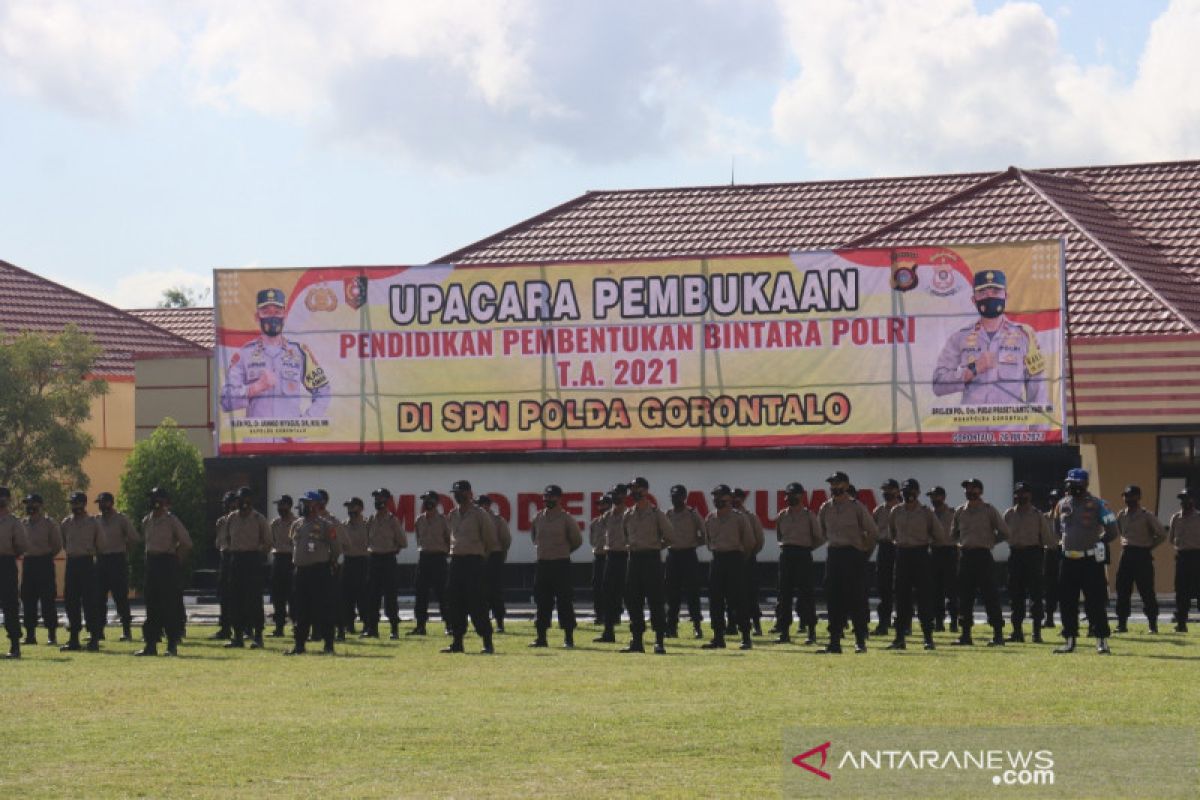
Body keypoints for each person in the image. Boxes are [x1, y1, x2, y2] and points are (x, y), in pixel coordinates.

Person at [932, 269, 1048, 406]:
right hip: (973, 425)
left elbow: (1038, 390)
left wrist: (1040, 427)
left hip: (1011, 426)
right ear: (973, 300)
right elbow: (938, 385)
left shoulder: (1025, 336)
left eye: (995, 292)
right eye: (982, 293)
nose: (989, 297)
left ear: (1006, 296)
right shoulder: (959, 337)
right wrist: (972, 369)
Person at [220, 288, 331, 421]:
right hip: (256, 440)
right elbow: (226, 401)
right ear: (257, 316)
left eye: (277, 312)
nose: (272, 317)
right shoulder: (244, 354)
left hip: (290, 440)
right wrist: (255, 388)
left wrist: (305, 423)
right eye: (266, 312)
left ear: (284, 315)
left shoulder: (300, 353)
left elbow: (323, 391)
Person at [1051, 468, 1118, 654]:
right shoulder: (1061, 504)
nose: (1072, 487)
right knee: (1067, 602)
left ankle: (1101, 640)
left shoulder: (1098, 504)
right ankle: (1069, 640)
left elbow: (1113, 530)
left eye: (1076, 483)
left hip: (1090, 561)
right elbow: (1056, 529)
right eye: (1070, 483)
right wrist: (1064, 543)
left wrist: (1099, 541)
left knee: (1095, 602)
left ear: (1085, 484)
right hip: (1068, 560)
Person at [818, 471, 877, 654]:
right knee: (833, 599)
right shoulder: (825, 508)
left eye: (837, 484)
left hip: (853, 555)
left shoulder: (857, 507)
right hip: (834, 555)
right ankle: (834, 641)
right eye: (832, 485)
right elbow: (821, 532)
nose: (834, 488)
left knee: (856, 599)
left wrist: (862, 551)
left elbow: (872, 532)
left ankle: (860, 640)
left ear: (846, 485)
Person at [951, 478, 1009, 647]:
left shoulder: (989, 510)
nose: (969, 492)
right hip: (966, 557)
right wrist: (962, 543)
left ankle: (998, 635)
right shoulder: (960, 511)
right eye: (967, 489)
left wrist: (990, 541)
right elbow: (953, 534)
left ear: (980, 491)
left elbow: (1005, 532)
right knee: (965, 597)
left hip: (983, 556)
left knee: (990, 596)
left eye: (972, 489)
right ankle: (965, 635)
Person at [443, 479, 498, 654]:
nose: (458, 496)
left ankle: (487, 642)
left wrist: (480, 556)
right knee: (455, 603)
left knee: (477, 603)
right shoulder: (452, 514)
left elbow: (490, 540)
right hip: (457, 562)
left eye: (461, 492)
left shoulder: (480, 514)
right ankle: (457, 642)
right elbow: (449, 538)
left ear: (470, 493)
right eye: (456, 493)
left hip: (474, 562)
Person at [136, 487, 192, 657]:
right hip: (152, 564)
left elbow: (186, 543)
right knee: (151, 606)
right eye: (151, 498)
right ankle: (150, 645)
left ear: (164, 501)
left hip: (167, 563)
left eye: (156, 498)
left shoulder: (171, 520)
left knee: (169, 606)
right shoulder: (147, 520)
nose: (153, 502)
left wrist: (176, 561)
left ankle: (172, 645)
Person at [621, 477, 672, 654]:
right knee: (633, 601)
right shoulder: (628, 514)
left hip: (651, 559)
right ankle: (637, 641)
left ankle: (659, 641)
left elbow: (670, 536)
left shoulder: (657, 514)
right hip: (634, 559)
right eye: (632, 489)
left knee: (656, 600)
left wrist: (656, 547)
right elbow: (625, 536)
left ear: (645, 490)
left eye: (637, 488)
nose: (633, 492)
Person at [886, 479, 938, 651]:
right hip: (902, 555)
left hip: (921, 555)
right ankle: (899, 638)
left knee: (924, 599)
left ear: (918, 492)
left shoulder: (926, 512)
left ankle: (928, 638)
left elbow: (937, 533)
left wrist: (925, 545)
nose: (909, 494)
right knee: (901, 600)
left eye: (912, 491)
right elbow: (892, 533)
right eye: (906, 491)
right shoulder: (896, 511)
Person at [285, 491, 340, 655]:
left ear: (315, 505)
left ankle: (328, 645)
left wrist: (330, 561)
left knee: (323, 608)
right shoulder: (297, 524)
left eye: (306, 503)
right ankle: (299, 645)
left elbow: (336, 547)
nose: (302, 506)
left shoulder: (326, 525)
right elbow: (293, 543)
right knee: (300, 609)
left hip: (319, 571)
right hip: (301, 572)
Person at [529, 485, 583, 649]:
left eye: (551, 497)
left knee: (564, 602)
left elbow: (576, 541)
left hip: (561, 564)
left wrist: (563, 551)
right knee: (542, 602)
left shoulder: (566, 518)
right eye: (545, 497)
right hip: (543, 564)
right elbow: (534, 538)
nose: (547, 500)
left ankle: (568, 638)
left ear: (559, 498)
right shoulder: (538, 517)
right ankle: (541, 638)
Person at [701, 484, 754, 650]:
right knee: (716, 601)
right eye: (715, 497)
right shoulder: (710, 518)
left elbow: (749, 542)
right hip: (717, 560)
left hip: (734, 559)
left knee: (738, 600)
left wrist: (739, 559)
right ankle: (718, 637)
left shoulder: (739, 518)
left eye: (721, 497)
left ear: (729, 498)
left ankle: (745, 636)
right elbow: (708, 541)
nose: (717, 500)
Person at [1003, 482, 1053, 643]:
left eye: (1024, 493)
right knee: (1015, 595)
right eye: (1017, 493)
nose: (1020, 496)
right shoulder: (1009, 514)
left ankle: (1036, 632)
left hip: (1033, 556)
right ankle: (1017, 632)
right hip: (1016, 556)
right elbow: (1002, 534)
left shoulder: (1038, 515)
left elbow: (1047, 538)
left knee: (1036, 596)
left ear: (1030, 495)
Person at [774, 481, 823, 645]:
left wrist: (806, 548)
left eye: (794, 494)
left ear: (801, 496)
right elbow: (779, 536)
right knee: (784, 595)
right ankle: (784, 632)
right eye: (788, 494)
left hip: (803, 555)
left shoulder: (809, 515)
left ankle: (811, 631)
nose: (790, 497)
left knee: (806, 595)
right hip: (786, 555)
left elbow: (819, 537)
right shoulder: (782, 515)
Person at [222, 486, 271, 648]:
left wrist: (258, 553)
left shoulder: (259, 518)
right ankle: (237, 637)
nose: (243, 503)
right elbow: (226, 538)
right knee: (235, 599)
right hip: (236, 559)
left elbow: (268, 541)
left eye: (246, 500)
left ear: (251, 501)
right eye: (240, 500)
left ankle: (258, 635)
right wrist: (233, 550)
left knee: (254, 599)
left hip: (252, 560)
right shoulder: (231, 518)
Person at [1114, 485, 1166, 634]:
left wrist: (1148, 546)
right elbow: (1120, 531)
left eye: (1131, 496)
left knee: (1146, 591)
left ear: (1138, 497)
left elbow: (1162, 534)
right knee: (1122, 590)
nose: (1127, 499)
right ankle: (1122, 624)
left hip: (1142, 555)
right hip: (1126, 555)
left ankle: (1152, 625)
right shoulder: (1121, 515)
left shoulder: (1146, 515)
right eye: (1125, 496)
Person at [59, 492, 103, 652]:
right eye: (72, 503)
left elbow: (100, 543)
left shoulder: (93, 522)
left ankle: (94, 639)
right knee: (71, 602)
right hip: (72, 563)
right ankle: (73, 639)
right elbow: (64, 543)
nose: (74, 507)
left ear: (84, 504)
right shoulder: (66, 523)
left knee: (90, 602)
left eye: (77, 503)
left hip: (87, 562)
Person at [95, 491, 138, 642]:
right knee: (99, 598)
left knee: (120, 597)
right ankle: (98, 631)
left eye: (104, 502)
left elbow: (133, 538)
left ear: (111, 503)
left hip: (117, 560)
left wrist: (124, 552)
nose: (101, 505)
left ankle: (126, 630)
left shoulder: (121, 519)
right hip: (101, 561)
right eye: (99, 503)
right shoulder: (96, 520)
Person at [663, 484, 705, 640]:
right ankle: (671, 627)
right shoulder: (667, 514)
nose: (675, 499)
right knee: (672, 593)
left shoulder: (692, 514)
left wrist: (693, 543)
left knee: (693, 592)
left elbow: (704, 534)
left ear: (684, 497)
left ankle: (697, 626)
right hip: (673, 555)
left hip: (688, 555)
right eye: (673, 496)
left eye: (678, 497)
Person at [364, 488, 406, 640]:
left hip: (388, 560)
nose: (378, 501)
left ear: (387, 501)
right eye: (376, 498)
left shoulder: (392, 520)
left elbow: (403, 542)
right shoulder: (370, 520)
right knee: (372, 596)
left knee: (390, 597)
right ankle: (372, 629)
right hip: (374, 560)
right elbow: (365, 539)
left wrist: (393, 550)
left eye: (381, 498)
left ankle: (394, 629)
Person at [21, 493, 62, 646]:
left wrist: (45, 555)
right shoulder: (23, 523)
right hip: (29, 563)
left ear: (40, 505)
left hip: (44, 562)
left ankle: (52, 635)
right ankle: (30, 636)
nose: (29, 507)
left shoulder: (49, 523)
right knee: (28, 599)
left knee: (48, 600)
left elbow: (57, 545)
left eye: (32, 504)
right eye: (27, 504)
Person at [408, 490, 450, 636]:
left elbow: (449, 539)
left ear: (436, 502)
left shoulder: (443, 520)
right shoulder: (419, 520)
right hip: (424, 559)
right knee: (421, 595)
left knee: (443, 594)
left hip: (439, 559)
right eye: (425, 499)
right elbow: (418, 539)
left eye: (429, 499)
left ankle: (449, 626)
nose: (427, 502)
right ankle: (420, 626)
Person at [595, 483, 630, 644]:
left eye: (618, 495)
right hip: (611, 557)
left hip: (627, 557)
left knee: (630, 595)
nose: (615, 498)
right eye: (613, 495)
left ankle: (635, 634)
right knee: (608, 594)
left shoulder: (630, 514)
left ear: (625, 496)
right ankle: (608, 632)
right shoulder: (607, 516)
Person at [731, 488, 765, 637]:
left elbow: (759, 540)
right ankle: (731, 625)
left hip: (747, 560)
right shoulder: (726, 516)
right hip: (731, 560)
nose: (734, 500)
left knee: (751, 595)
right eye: (732, 497)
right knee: (730, 595)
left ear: (742, 499)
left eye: (737, 497)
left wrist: (748, 554)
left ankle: (756, 626)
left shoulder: (751, 517)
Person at [872, 479, 902, 636]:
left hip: (900, 549)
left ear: (897, 491)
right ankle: (883, 623)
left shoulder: (903, 509)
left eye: (889, 490)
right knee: (883, 588)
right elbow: (871, 532)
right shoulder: (879, 510)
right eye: (884, 489)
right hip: (884, 548)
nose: (886, 493)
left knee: (901, 587)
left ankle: (903, 623)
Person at [337, 497, 371, 641]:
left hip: (363, 562)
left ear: (360, 508)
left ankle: (367, 625)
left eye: (353, 507)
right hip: (348, 562)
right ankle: (348, 624)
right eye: (349, 507)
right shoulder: (343, 525)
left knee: (363, 595)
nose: (350, 510)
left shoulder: (368, 524)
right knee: (346, 596)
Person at [477, 494, 511, 633]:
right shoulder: (475, 519)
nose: (479, 507)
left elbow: (506, 540)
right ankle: (482, 622)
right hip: (479, 558)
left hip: (494, 557)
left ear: (487, 505)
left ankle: (499, 622)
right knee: (479, 592)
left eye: (481, 504)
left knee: (495, 592)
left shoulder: (498, 520)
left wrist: (500, 556)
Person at [926, 486, 958, 632]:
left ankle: (954, 621)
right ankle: (939, 621)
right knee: (935, 589)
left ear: (943, 497)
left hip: (949, 551)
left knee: (952, 589)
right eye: (932, 497)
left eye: (936, 496)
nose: (934, 500)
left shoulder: (953, 513)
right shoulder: (928, 514)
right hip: (934, 551)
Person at [0, 488, 27, 659]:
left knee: (10, 606)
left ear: (8, 500)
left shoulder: (14, 522)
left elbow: (21, 546)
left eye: (2, 498)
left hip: (6, 564)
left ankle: (15, 646)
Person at [1169, 488, 1200, 633]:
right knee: (1181, 592)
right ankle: (1181, 623)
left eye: (1186, 499)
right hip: (1182, 558)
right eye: (1181, 499)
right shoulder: (1176, 518)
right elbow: (1171, 539)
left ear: (1192, 500)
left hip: (1197, 557)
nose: (1183, 502)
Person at [268, 494, 297, 637]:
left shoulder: (297, 522)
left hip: (292, 560)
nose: (279, 508)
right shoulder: (275, 523)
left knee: (293, 595)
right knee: (277, 595)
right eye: (278, 505)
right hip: (278, 559)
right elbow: (271, 541)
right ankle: (279, 627)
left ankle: (296, 625)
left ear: (289, 505)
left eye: (282, 505)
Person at [211, 490, 238, 641]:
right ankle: (225, 628)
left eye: (231, 503)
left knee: (239, 595)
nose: (229, 506)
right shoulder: (221, 521)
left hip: (237, 557)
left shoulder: (240, 520)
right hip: (224, 557)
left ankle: (244, 628)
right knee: (223, 595)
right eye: (226, 503)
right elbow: (218, 541)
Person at [589, 494, 612, 626]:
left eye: (603, 504)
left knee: (611, 587)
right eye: (599, 504)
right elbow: (592, 540)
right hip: (598, 557)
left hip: (611, 556)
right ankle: (599, 615)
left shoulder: (616, 520)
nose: (601, 507)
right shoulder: (595, 523)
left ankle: (612, 615)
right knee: (597, 586)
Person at [1041, 488, 1062, 629]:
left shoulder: (1068, 517)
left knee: (1065, 587)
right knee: (1049, 588)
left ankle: (1068, 621)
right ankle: (1049, 618)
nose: (1054, 502)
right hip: (1049, 553)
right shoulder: (1044, 517)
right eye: (1052, 499)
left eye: (1057, 499)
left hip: (1064, 553)